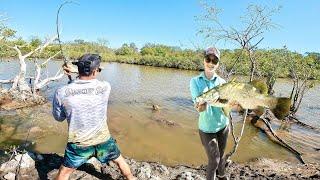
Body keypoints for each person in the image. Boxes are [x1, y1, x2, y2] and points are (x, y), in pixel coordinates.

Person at [52, 54, 136, 180]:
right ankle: (131, 178)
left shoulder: (61, 92)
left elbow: (58, 118)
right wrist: (77, 72)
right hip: (103, 140)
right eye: (98, 69)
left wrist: (74, 77)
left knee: (64, 173)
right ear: (96, 71)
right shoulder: (105, 87)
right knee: (119, 161)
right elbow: (90, 80)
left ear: (78, 68)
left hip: (79, 145)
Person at [190, 47, 229, 180]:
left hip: (223, 126)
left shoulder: (223, 83)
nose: (211, 63)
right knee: (214, 160)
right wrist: (202, 104)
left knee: (221, 155)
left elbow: (227, 107)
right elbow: (200, 109)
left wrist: (234, 105)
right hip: (206, 128)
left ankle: (222, 175)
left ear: (218, 64)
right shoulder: (195, 81)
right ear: (204, 60)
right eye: (208, 59)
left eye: (214, 60)